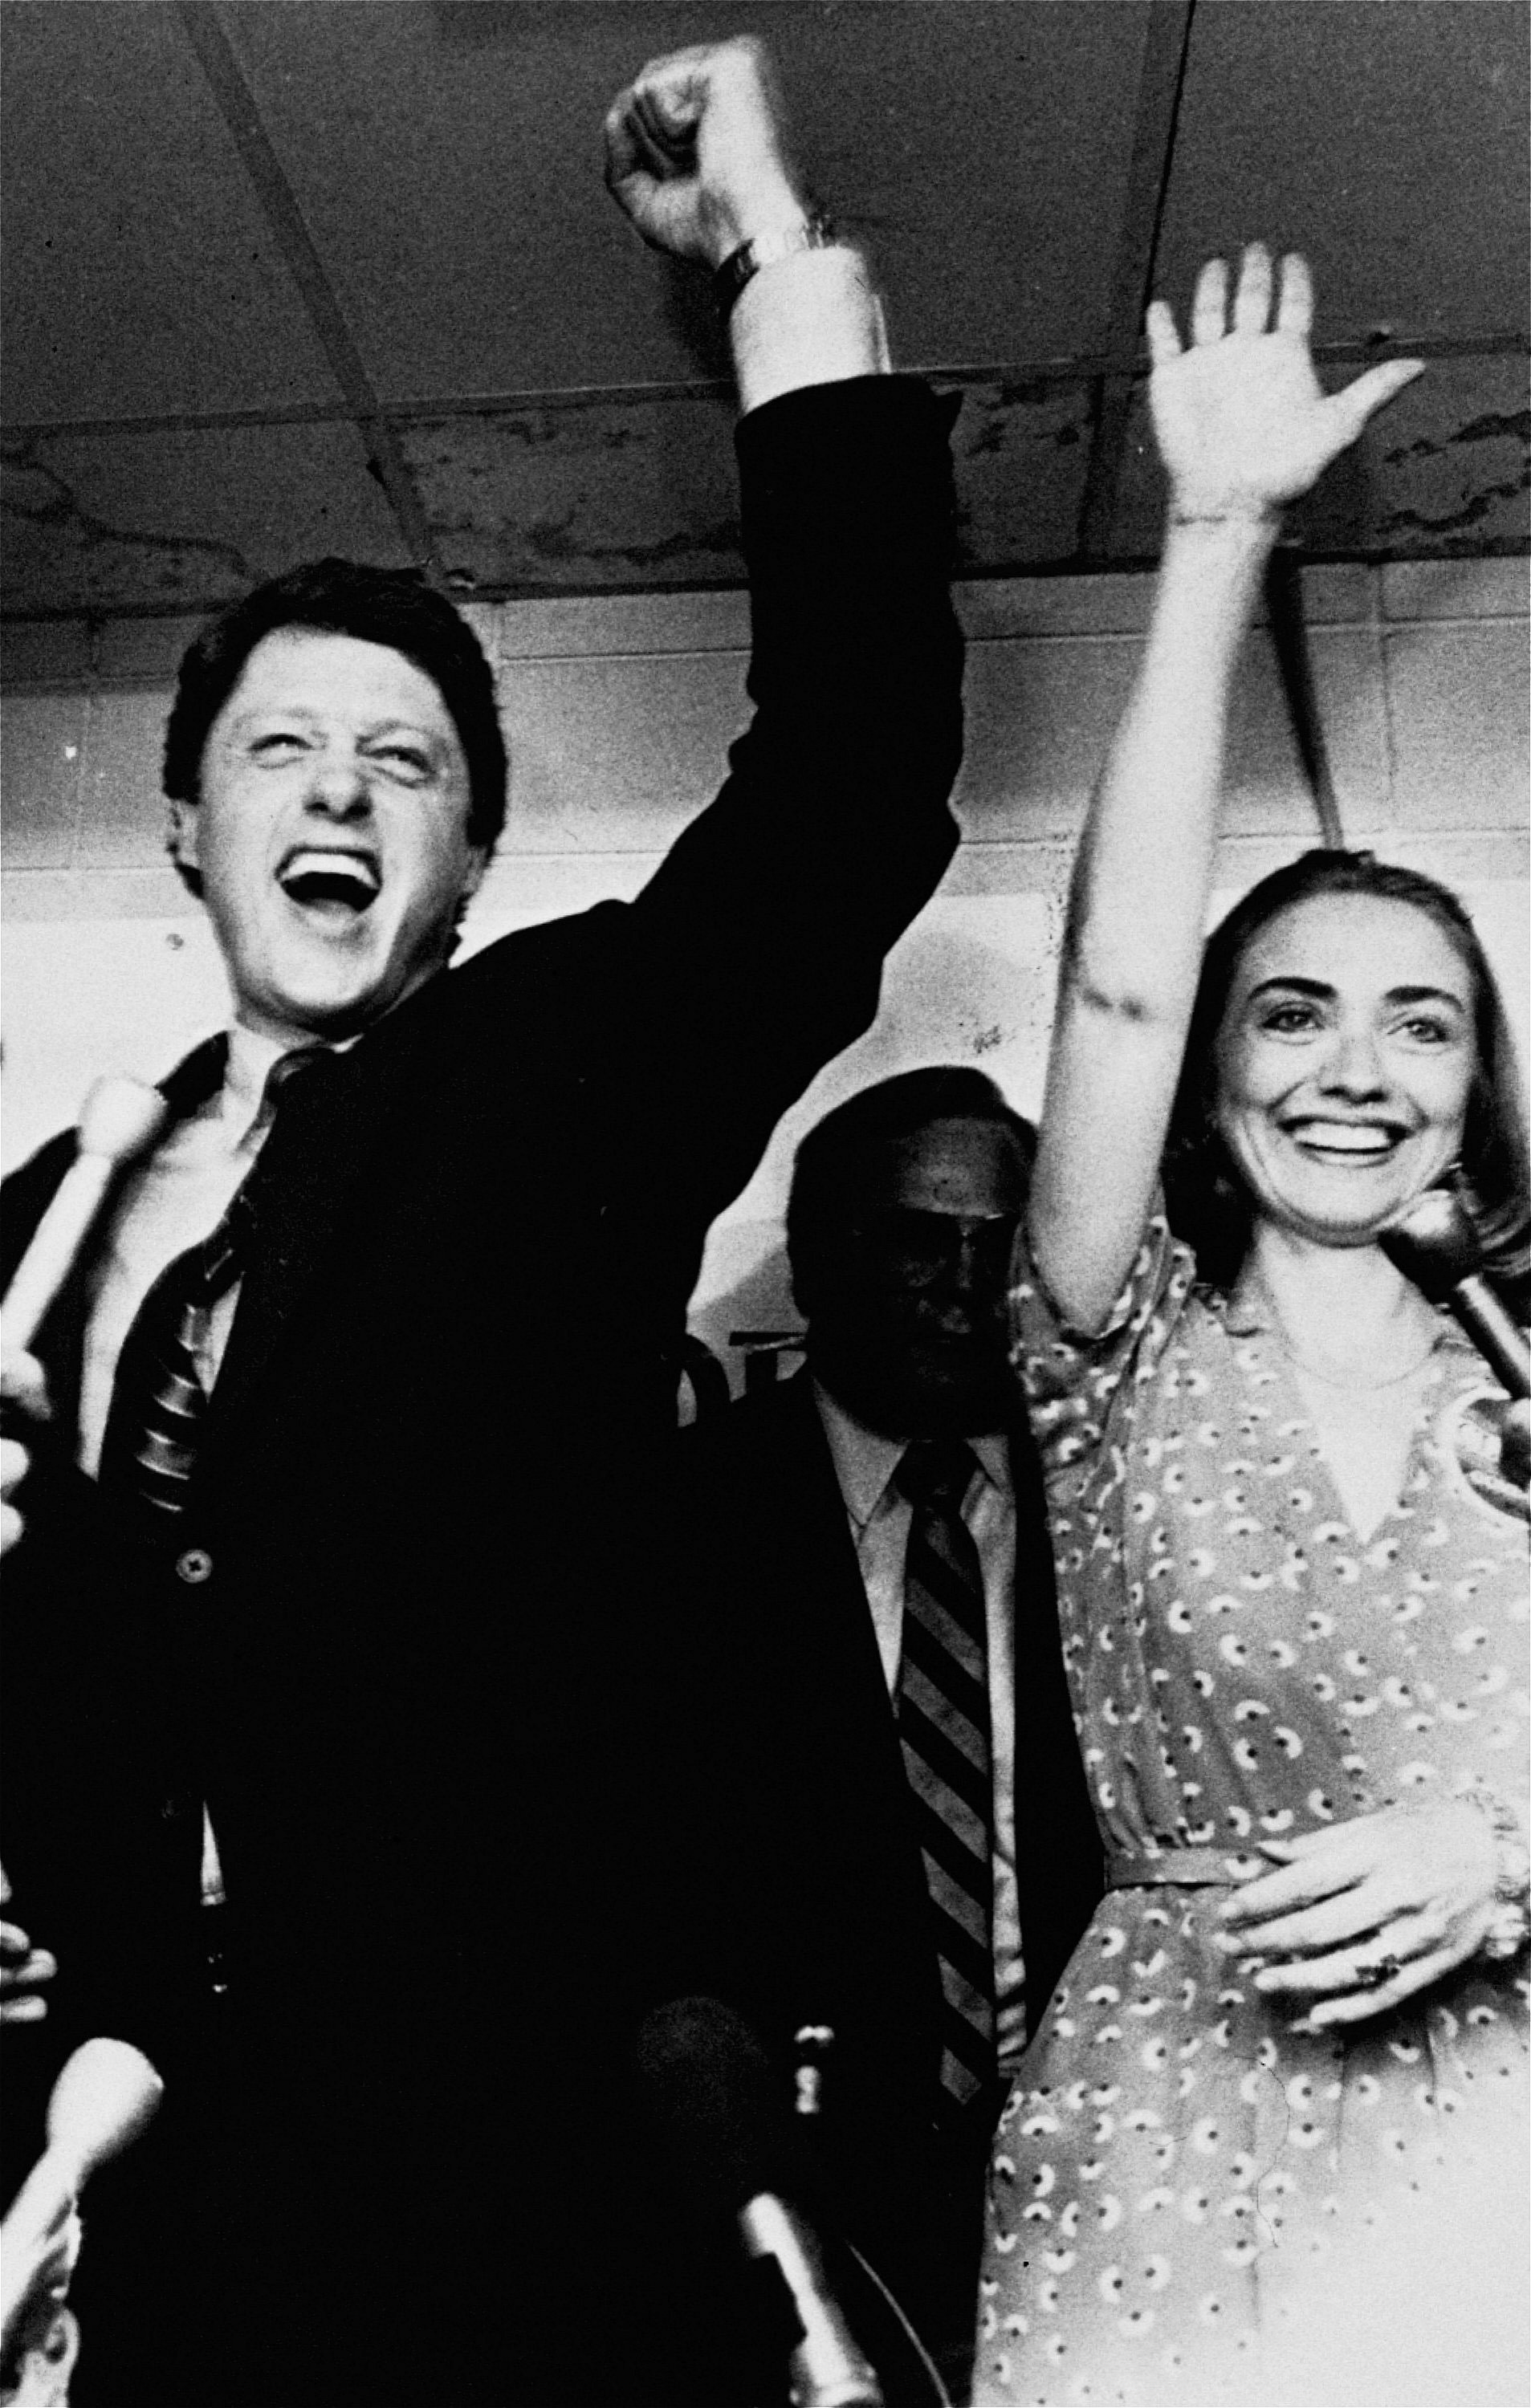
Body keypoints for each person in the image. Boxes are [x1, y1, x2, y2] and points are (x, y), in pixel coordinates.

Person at [0, 39, 967, 2403]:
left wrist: (772, 260)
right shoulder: (39, 1221)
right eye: (280, 753)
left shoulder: (546, 1087)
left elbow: (844, 781)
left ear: (459, 871)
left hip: (515, 2190)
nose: (338, 788)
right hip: (170, 2202)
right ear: (189, 836)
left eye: (404, 761)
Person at [971, 247, 1529, 2407]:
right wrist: (1214, 539)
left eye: (1419, 1025)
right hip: (1172, 2153)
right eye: (1288, 1012)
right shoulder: (1109, 1348)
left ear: (1474, 1090)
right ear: (1203, 1078)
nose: (1350, 1069)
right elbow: (1110, 975)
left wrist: (1498, 1862)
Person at [665, 1068, 1101, 2398]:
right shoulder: (675, 1530)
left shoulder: (1114, 1506)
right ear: (812, 1259)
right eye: (920, 1239)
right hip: (796, 2221)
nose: (967, 1287)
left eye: (1004, 1248)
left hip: (1100, 2183)